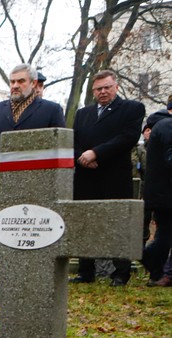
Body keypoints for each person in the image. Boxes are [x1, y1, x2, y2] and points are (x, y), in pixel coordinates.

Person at [0, 63, 65, 287]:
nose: (15, 86)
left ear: (33, 84)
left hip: (38, 183)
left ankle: (34, 274)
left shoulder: (51, 110)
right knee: (1, 225)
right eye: (12, 82)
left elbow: (60, 148)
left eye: (20, 81)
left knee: (32, 227)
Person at [70, 69, 145, 287]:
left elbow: (127, 137)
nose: (103, 92)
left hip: (114, 176)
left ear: (116, 87)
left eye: (107, 87)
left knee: (116, 224)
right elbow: (73, 140)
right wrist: (82, 157)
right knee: (85, 223)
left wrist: (97, 153)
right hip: (85, 176)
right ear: (93, 91)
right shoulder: (83, 113)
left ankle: (120, 273)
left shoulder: (132, 108)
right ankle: (86, 271)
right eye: (98, 89)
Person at [141, 105, 172, 287]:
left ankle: (157, 270)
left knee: (165, 232)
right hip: (166, 191)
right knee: (165, 233)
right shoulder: (168, 125)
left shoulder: (160, 124)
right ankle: (153, 264)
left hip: (160, 191)